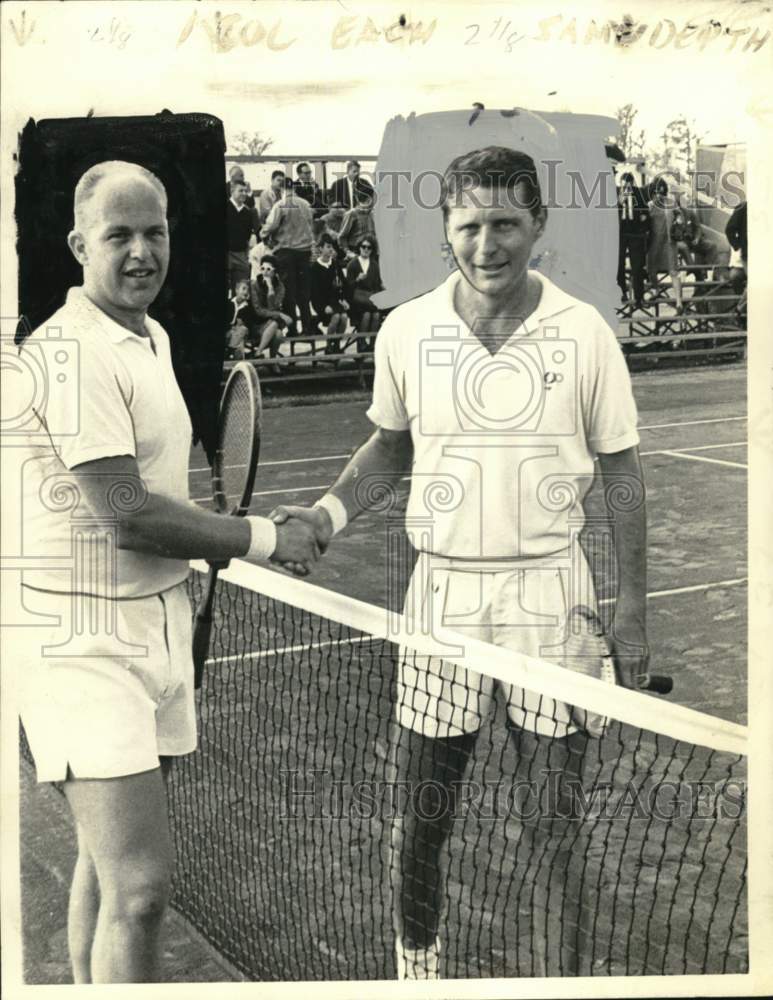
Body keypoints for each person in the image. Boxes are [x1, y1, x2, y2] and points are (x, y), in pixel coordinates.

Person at [270, 146, 648, 980]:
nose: (488, 245)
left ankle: (559, 987)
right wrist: (327, 515)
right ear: (446, 230)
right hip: (441, 596)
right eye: (470, 224)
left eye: (506, 224)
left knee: (553, 825)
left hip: (554, 597)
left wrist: (631, 609)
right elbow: (388, 447)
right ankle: (418, 965)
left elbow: (620, 470)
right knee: (421, 818)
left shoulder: (584, 332)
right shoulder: (406, 329)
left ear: (538, 226)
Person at [13, 161, 321, 985]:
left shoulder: (151, 336)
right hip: (76, 641)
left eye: (156, 233)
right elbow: (126, 511)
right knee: (143, 892)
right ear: (81, 245)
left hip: (157, 623)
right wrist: (258, 538)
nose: (142, 252)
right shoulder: (69, 353)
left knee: (106, 868)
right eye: (120, 236)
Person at [261, 178, 315, 337]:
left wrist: (263, 234)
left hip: (286, 252)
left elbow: (270, 226)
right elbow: (310, 225)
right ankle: (307, 327)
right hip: (304, 251)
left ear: (283, 189)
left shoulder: (280, 205)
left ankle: (292, 329)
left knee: (288, 291)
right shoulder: (305, 204)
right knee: (304, 293)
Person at [646, 178, 684, 314]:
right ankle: (655, 289)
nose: (659, 195)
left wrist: (679, 220)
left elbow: (680, 216)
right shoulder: (649, 205)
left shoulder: (672, 203)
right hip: (654, 242)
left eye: (661, 192)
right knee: (651, 267)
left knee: (674, 271)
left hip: (669, 242)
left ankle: (679, 302)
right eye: (656, 192)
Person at [310, 233, 349, 353]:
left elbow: (343, 285)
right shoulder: (315, 268)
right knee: (336, 316)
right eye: (327, 246)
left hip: (335, 302)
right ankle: (328, 345)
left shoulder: (335, 265)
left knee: (344, 317)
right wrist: (323, 306)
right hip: (322, 304)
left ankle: (336, 344)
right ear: (321, 248)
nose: (330, 249)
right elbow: (314, 292)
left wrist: (344, 299)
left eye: (331, 247)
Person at [615, 172, 649, 309]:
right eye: (624, 185)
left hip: (635, 234)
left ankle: (639, 298)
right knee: (619, 265)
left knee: (637, 267)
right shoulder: (617, 193)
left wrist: (643, 220)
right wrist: (619, 202)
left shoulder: (638, 193)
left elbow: (646, 212)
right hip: (620, 234)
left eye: (629, 184)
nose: (627, 188)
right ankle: (622, 292)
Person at [250, 254, 292, 360]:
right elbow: (258, 311)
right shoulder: (254, 285)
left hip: (272, 322)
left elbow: (274, 307)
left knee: (278, 334)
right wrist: (279, 314)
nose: (265, 272)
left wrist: (270, 290)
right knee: (275, 325)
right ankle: (262, 356)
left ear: (274, 271)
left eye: (268, 269)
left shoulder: (280, 287)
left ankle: (268, 359)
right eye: (262, 268)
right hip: (257, 323)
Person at [345, 235, 383, 349]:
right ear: (359, 248)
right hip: (357, 301)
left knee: (376, 315)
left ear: (372, 250)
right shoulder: (352, 264)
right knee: (366, 315)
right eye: (363, 247)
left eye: (369, 247)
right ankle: (361, 342)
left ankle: (372, 343)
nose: (366, 249)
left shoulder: (374, 265)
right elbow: (347, 287)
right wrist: (357, 280)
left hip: (370, 299)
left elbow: (377, 285)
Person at [227, 178, 258, 292]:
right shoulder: (224, 208)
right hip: (225, 254)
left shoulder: (248, 213)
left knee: (242, 289)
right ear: (232, 191)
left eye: (245, 191)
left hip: (241, 255)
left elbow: (247, 235)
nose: (244, 194)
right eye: (241, 191)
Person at [337, 191, 377, 259]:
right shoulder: (352, 214)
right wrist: (348, 252)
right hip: (356, 252)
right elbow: (342, 236)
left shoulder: (373, 213)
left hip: (372, 251)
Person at [227, 278, 257, 359]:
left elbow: (250, 323)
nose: (246, 291)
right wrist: (230, 328)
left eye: (247, 290)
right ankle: (232, 353)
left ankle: (229, 352)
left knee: (242, 329)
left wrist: (249, 303)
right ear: (236, 290)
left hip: (241, 333)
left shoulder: (248, 307)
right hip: (229, 331)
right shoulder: (229, 303)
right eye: (243, 288)